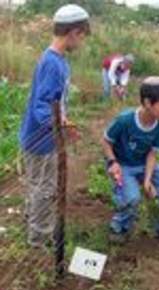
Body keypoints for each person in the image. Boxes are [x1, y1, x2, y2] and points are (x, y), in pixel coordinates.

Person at [19, 4, 90, 248]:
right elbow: (42, 107)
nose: (82, 42)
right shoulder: (52, 63)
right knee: (45, 188)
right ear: (73, 32)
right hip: (42, 140)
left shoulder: (57, 60)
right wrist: (59, 127)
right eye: (82, 36)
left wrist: (63, 121)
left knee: (37, 183)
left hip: (41, 136)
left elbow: (53, 104)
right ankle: (39, 237)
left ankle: (31, 220)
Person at [102, 76, 159, 242]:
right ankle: (119, 227)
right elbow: (106, 142)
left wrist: (147, 181)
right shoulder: (125, 120)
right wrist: (112, 162)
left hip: (144, 165)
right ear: (147, 103)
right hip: (122, 165)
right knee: (132, 198)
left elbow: (152, 154)